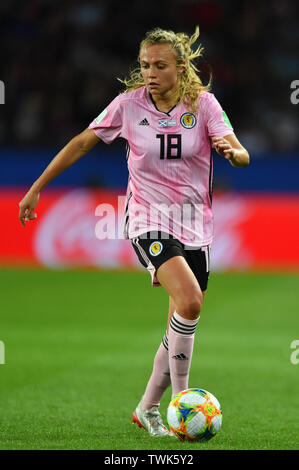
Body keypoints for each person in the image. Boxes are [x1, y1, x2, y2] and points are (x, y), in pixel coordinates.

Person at [19, 26, 249, 438]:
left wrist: (236, 154)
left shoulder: (205, 105)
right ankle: (183, 407)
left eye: (160, 65)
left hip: (196, 225)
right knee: (192, 302)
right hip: (147, 220)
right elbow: (81, 143)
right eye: (145, 65)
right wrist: (36, 188)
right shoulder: (128, 106)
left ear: (181, 67)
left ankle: (147, 408)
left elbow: (237, 147)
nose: (150, 73)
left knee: (180, 318)